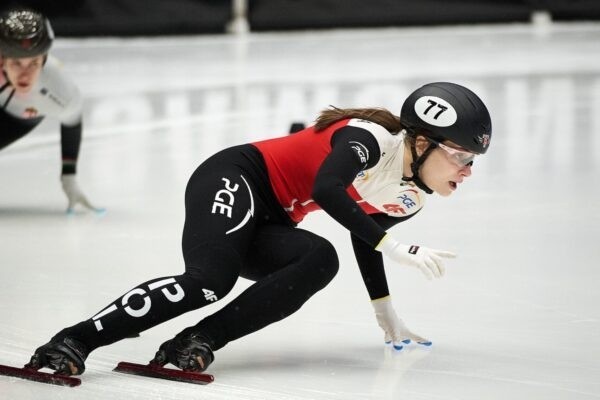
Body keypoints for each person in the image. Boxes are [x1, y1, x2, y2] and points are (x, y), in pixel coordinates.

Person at [27, 82, 492, 376]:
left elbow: (361, 232)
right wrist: (393, 243)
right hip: (237, 176)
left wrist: (385, 310)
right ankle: (75, 339)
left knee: (318, 259)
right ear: (423, 142)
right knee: (210, 281)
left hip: (275, 216)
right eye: (460, 156)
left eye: (473, 160)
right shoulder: (368, 138)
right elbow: (328, 191)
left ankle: (200, 339)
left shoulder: (411, 195)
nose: (467, 170)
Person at [0, 8, 99, 213]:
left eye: (34, 63)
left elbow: (72, 121)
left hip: (17, 118)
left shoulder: (59, 89)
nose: (25, 74)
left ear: (44, 59)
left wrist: (69, 178)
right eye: (17, 63)